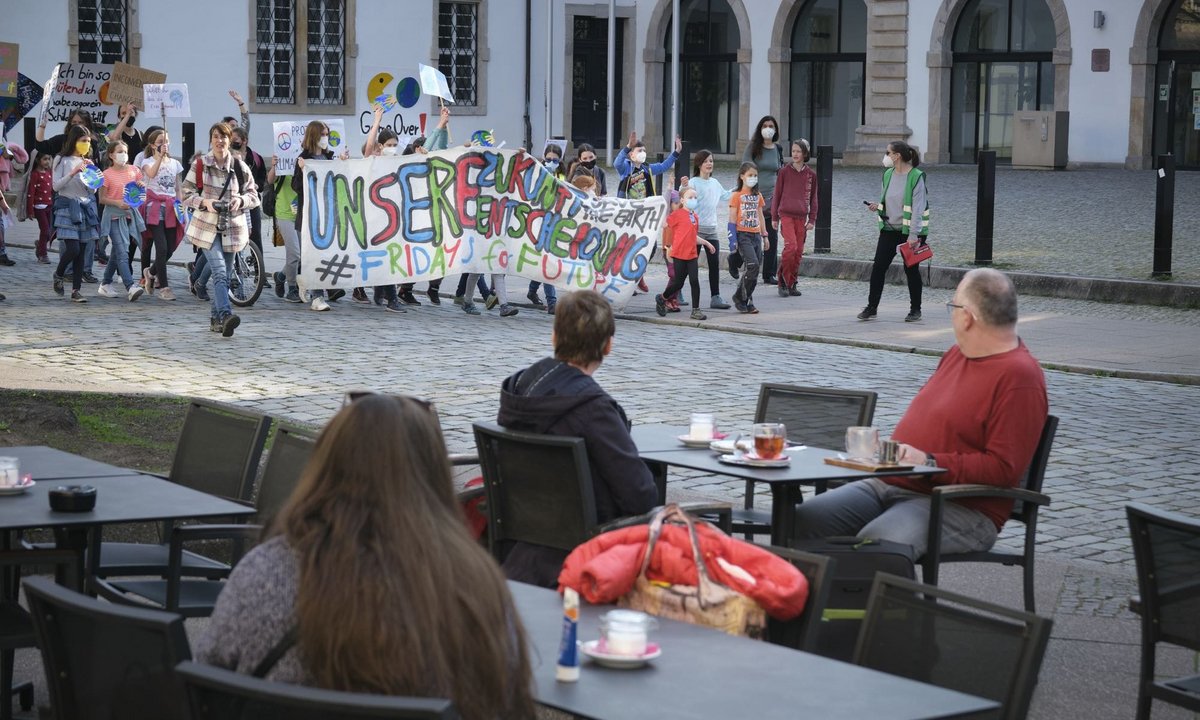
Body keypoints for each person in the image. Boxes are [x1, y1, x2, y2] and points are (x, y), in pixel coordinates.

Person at [196, 394, 536, 720]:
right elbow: (505, 703)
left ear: (326, 466)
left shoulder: (264, 574)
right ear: (432, 477)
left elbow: (203, 689)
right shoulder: (478, 587)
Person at [793, 269, 1048, 556]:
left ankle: (886, 601)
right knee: (803, 520)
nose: (951, 316)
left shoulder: (1019, 376)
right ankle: (805, 599)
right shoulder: (957, 354)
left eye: (952, 307)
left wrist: (928, 462)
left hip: (961, 506)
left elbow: (1003, 469)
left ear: (967, 317)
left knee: (877, 545)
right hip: (892, 483)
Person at [497, 290, 659, 586]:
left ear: (554, 337)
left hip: (521, 542)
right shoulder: (595, 410)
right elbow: (640, 496)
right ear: (608, 345)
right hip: (587, 551)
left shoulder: (518, 387)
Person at [181, 122, 259, 337]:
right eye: (215, 136)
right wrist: (204, 202)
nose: (220, 140)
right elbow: (185, 193)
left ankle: (216, 320)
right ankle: (226, 314)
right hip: (207, 226)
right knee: (220, 272)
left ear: (229, 139)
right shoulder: (200, 165)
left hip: (233, 227)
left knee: (224, 272)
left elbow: (254, 195)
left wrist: (240, 201)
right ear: (211, 140)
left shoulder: (239, 166)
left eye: (223, 136)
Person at [859, 140, 929, 323]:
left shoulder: (916, 176)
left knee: (911, 270)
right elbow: (889, 200)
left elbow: (918, 209)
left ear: (897, 156)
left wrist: (914, 236)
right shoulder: (887, 174)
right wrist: (878, 206)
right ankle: (871, 307)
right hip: (889, 230)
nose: (886, 156)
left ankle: (915, 310)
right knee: (878, 268)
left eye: (888, 152)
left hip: (910, 233)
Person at [291, 120, 348, 312]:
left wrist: (341, 164)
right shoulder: (303, 158)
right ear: (314, 135)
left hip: (327, 214)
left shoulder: (328, 157)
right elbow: (296, 188)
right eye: (323, 134)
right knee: (315, 256)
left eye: (328, 134)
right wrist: (300, 171)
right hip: (309, 216)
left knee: (320, 256)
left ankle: (303, 280)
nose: (326, 138)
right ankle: (317, 297)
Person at [50, 124, 101, 303]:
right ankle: (59, 273)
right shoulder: (61, 160)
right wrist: (73, 172)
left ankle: (76, 290)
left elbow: (91, 191)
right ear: (74, 140)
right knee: (73, 248)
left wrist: (92, 177)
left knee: (83, 250)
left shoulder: (88, 162)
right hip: (67, 207)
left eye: (88, 141)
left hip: (84, 207)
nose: (86, 144)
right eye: (83, 141)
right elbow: (56, 186)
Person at [96, 141, 147, 301]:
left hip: (130, 216)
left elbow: (140, 193)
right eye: (119, 151)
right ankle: (130, 286)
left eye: (125, 151)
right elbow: (102, 199)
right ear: (111, 155)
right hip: (113, 216)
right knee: (123, 251)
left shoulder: (134, 170)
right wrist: (118, 203)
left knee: (117, 252)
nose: (123, 154)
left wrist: (141, 185)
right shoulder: (106, 174)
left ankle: (105, 284)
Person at [137, 128, 184, 300]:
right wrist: (159, 157)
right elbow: (151, 174)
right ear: (152, 145)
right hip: (154, 206)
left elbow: (178, 186)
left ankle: (151, 271)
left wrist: (181, 206)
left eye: (166, 141)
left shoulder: (175, 163)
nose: (164, 145)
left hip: (171, 206)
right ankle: (164, 287)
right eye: (160, 142)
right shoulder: (147, 161)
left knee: (170, 247)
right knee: (161, 247)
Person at [656, 186, 715, 321]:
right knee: (678, 283)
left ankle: (695, 310)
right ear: (682, 200)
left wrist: (706, 243)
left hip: (692, 254)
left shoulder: (695, 216)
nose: (693, 200)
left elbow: (693, 236)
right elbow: (664, 224)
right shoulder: (677, 214)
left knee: (694, 281)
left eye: (695, 197)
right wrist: (665, 198)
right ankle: (662, 298)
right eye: (690, 197)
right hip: (678, 254)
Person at [686, 150, 733, 310]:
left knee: (714, 264)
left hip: (711, 230)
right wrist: (683, 186)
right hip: (695, 231)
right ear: (699, 164)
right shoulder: (693, 182)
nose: (709, 164)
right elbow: (682, 195)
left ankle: (715, 297)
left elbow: (727, 195)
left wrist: (742, 186)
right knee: (690, 264)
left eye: (711, 161)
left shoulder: (715, 183)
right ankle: (676, 292)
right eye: (706, 161)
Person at [771, 139, 818, 298]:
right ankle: (782, 281)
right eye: (793, 151)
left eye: (799, 151)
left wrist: (812, 219)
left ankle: (792, 282)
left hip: (801, 217)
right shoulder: (784, 172)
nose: (795, 154)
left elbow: (814, 199)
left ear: (805, 153)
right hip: (786, 215)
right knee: (790, 247)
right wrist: (774, 217)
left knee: (798, 251)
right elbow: (777, 194)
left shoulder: (811, 175)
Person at [526, 143, 567, 312]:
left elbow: (565, 192)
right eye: (548, 159)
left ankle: (532, 291)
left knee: (546, 261)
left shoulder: (562, 175)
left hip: (555, 221)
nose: (551, 162)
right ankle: (552, 302)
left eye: (554, 160)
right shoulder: (537, 172)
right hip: (538, 221)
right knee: (547, 261)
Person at [744, 115, 783, 286]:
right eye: (765, 125)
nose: (768, 128)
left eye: (771, 126)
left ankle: (769, 273)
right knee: (749, 234)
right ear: (760, 128)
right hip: (754, 196)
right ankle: (738, 260)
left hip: (773, 197)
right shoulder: (753, 147)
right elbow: (745, 168)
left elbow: (779, 171)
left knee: (772, 235)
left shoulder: (778, 149)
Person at [728, 162, 768, 314]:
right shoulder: (736, 196)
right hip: (743, 234)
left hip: (756, 235)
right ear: (742, 176)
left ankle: (747, 299)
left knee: (755, 270)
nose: (753, 178)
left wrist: (765, 236)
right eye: (750, 175)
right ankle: (740, 298)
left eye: (755, 175)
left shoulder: (758, 196)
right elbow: (731, 219)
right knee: (753, 266)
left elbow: (761, 216)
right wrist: (733, 241)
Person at [25, 151, 54, 263]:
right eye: (45, 159)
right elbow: (31, 193)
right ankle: (43, 254)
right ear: (38, 160)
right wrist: (30, 210)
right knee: (45, 230)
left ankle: (40, 244)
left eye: (49, 159)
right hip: (39, 207)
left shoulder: (49, 173)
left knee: (51, 232)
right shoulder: (35, 175)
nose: (47, 162)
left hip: (49, 206)